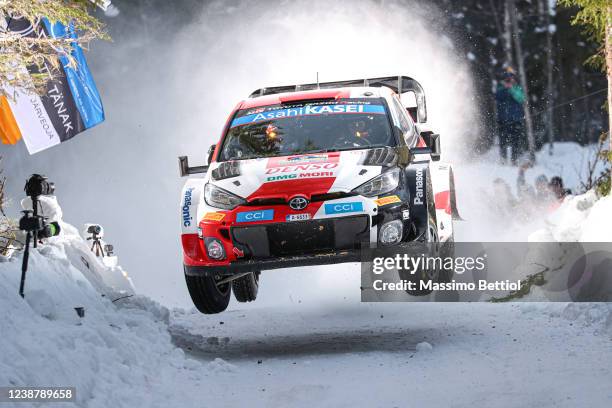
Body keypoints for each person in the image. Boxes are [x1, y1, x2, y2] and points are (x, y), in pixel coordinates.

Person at [495, 68, 526, 165]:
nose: (509, 80)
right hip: (503, 119)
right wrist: (505, 89)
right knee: (503, 140)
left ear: (514, 78)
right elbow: (497, 97)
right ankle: (503, 159)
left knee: (515, 141)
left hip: (516, 119)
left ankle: (514, 159)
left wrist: (511, 89)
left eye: (511, 78)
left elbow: (521, 98)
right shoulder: (500, 88)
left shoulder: (517, 88)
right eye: (507, 78)